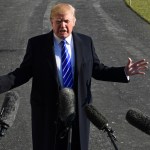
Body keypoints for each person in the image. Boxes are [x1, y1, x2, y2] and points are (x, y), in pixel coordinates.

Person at [0, 3, 148, 150]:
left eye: (66, 21)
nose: (62, 25)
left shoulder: (85, 42)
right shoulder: (37, 44)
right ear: (51, 21)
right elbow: (21, 74)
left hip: (79, 113)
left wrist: (124, 72)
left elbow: (97, 70)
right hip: (47, 115)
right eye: (58, 21)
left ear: (74, 22)